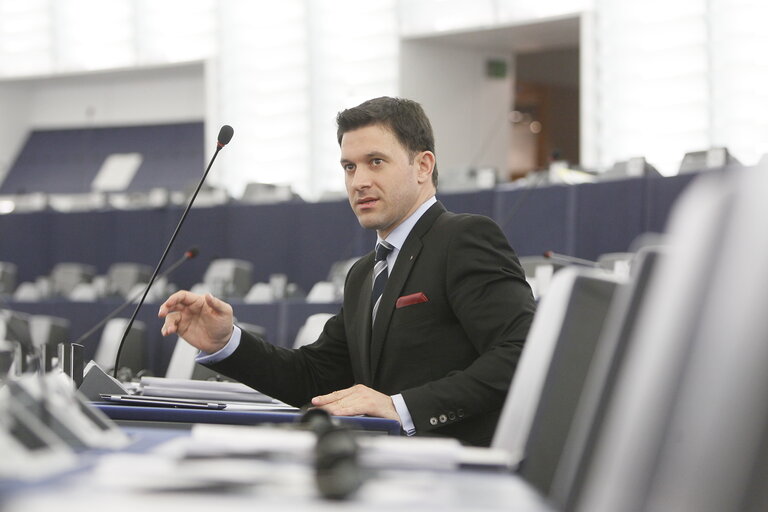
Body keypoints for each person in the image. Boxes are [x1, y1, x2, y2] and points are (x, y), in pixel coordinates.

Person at [159, 97, 536, 446]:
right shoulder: (364, 273)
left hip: (455, 478)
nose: (359, 182)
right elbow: (314, 377)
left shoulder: (463, 238)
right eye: (349, 167)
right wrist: (227, 342)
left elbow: (521, 353)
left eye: (376, 162)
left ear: (423, 166)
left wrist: (401, 407)